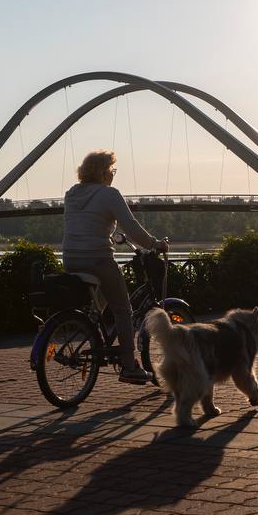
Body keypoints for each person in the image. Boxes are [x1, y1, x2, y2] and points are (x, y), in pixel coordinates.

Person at [63, 149, 168, 385]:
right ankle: (129, 366)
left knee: (102, 294)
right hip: (97, 258)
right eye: (111, 170)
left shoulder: (71, 193)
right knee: (123, 308)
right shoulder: (109, 194)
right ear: (103, 172)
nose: (112, 174)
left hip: (71, 258)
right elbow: (131, 227)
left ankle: (91, 325)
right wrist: (155, 244)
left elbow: (85, 225)